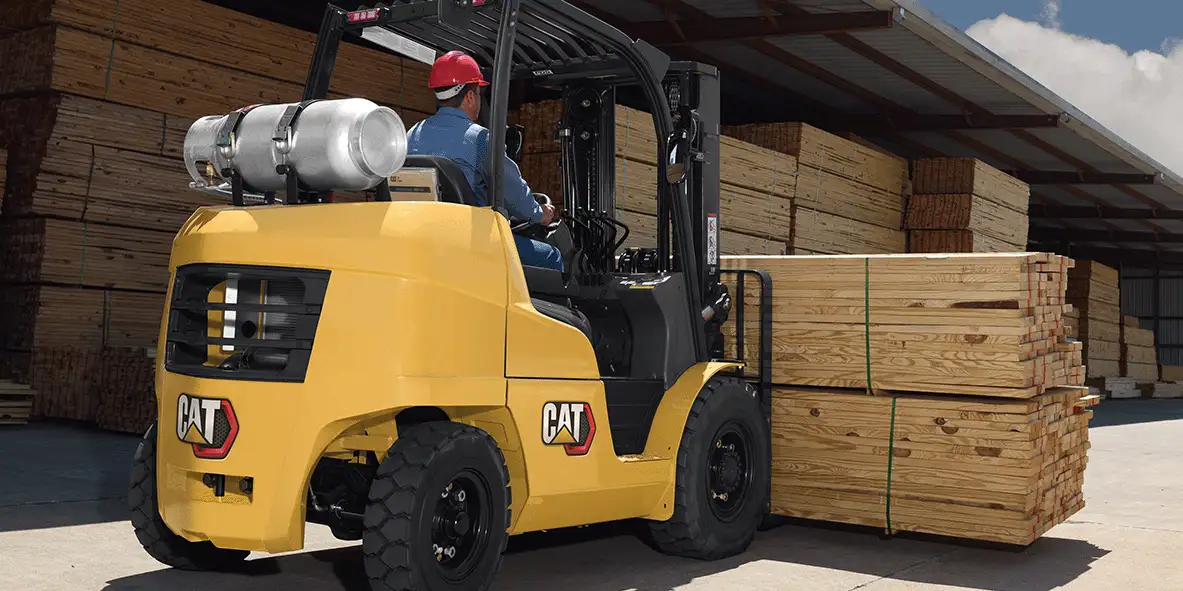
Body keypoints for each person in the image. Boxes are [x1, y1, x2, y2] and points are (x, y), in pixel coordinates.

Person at [405, 50, 564, 272]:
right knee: (551, 256)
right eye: (479, 94)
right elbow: (511, 190)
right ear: (470, 96)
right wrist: (540, 214)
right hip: (469, 240)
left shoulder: (412, 134)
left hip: (421, 234)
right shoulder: (480, 139)